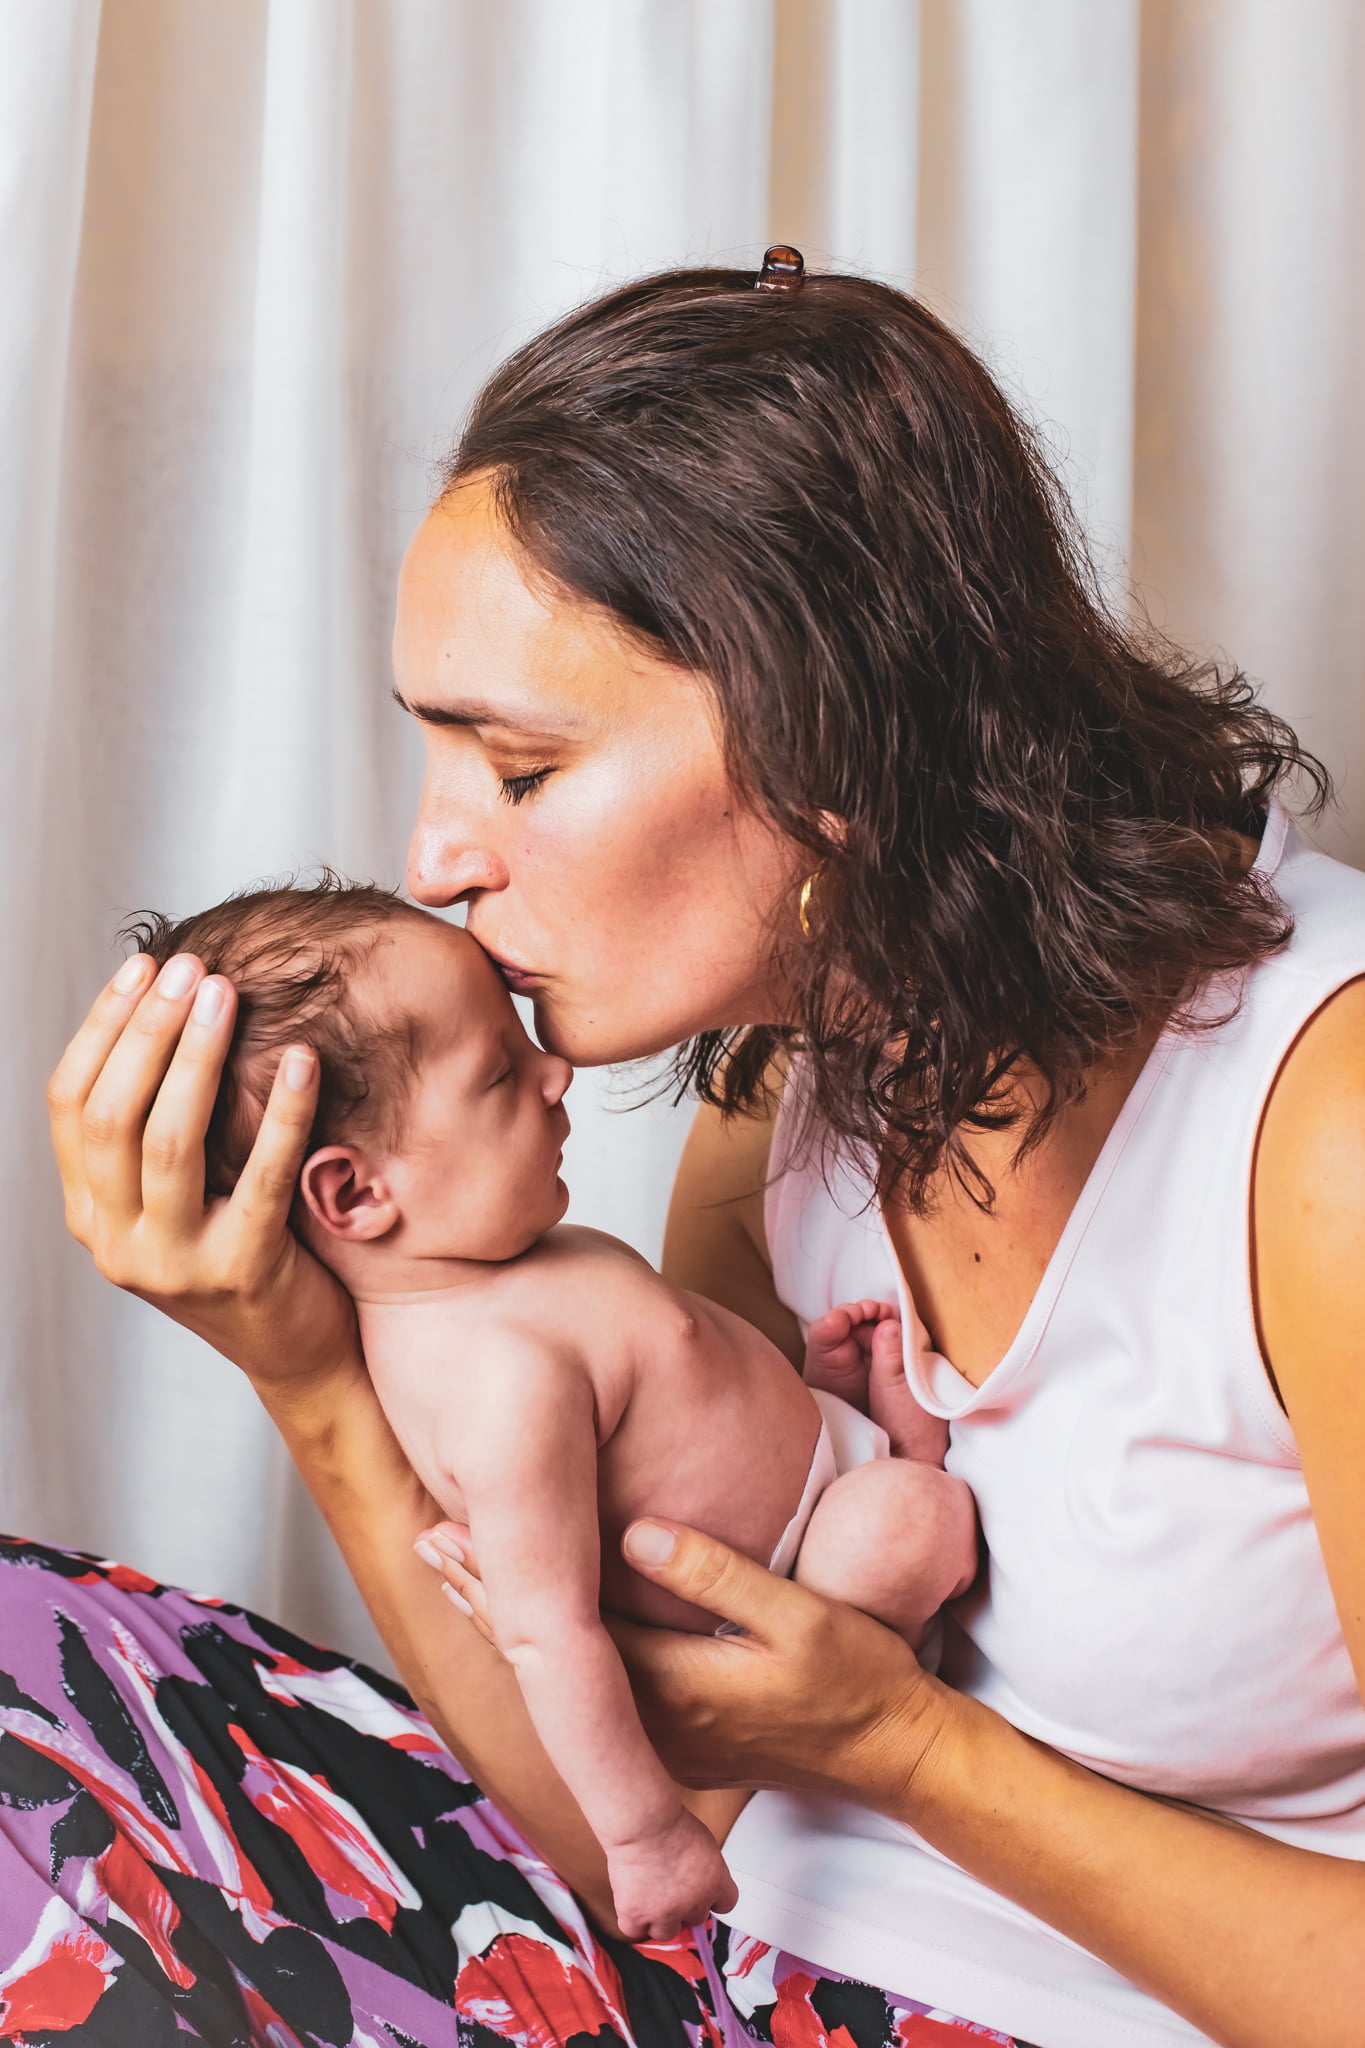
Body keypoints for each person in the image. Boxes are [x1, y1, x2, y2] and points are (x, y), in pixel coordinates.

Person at [28, 256, 1365, 2047]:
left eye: (516, 767)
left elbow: (805, 1751)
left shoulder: (1323, 1139)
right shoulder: (784, 1103)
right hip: (720, 1962)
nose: (435, 855)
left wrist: (901, 1744)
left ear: (831, 736)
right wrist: (310, 1365)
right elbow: (637, 1816)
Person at [114, 878, 974, 1945]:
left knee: (878, 1476)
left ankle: (879, 1455)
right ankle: (892, 1630)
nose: (556, 1071)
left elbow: (683, 1411)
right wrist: (644, 1832)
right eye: (501, 1071)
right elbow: (550, 1632)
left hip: (800, 1490)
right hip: (791, 1604)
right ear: (353, 1194)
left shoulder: (506, 1255)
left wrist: (819, 1389)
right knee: (914, 1517)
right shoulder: (494, 1378)